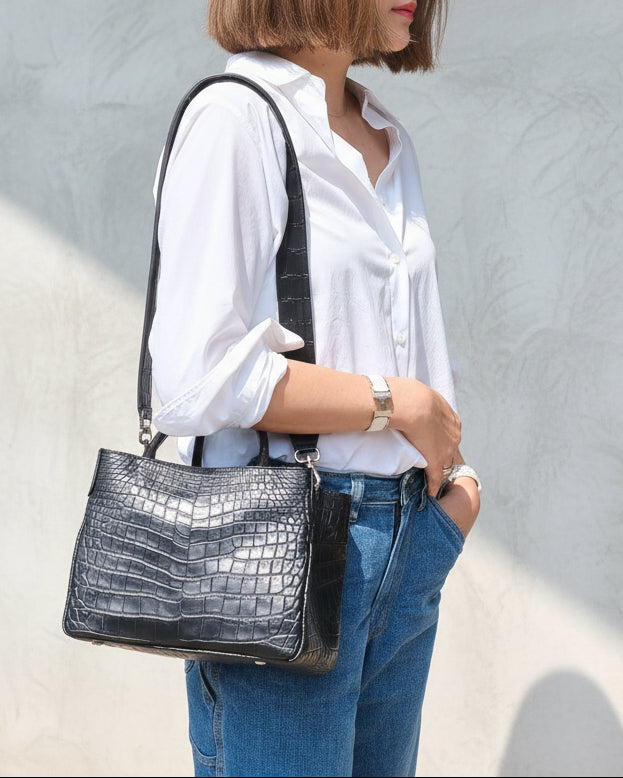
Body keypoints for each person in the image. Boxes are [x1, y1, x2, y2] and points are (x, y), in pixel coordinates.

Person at [149, 1, 481, 775]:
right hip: (282, 543)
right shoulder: (235, 120)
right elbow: (193, 377)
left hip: (407, 533)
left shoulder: (384, 137)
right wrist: (397, 403)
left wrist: (453, 499)